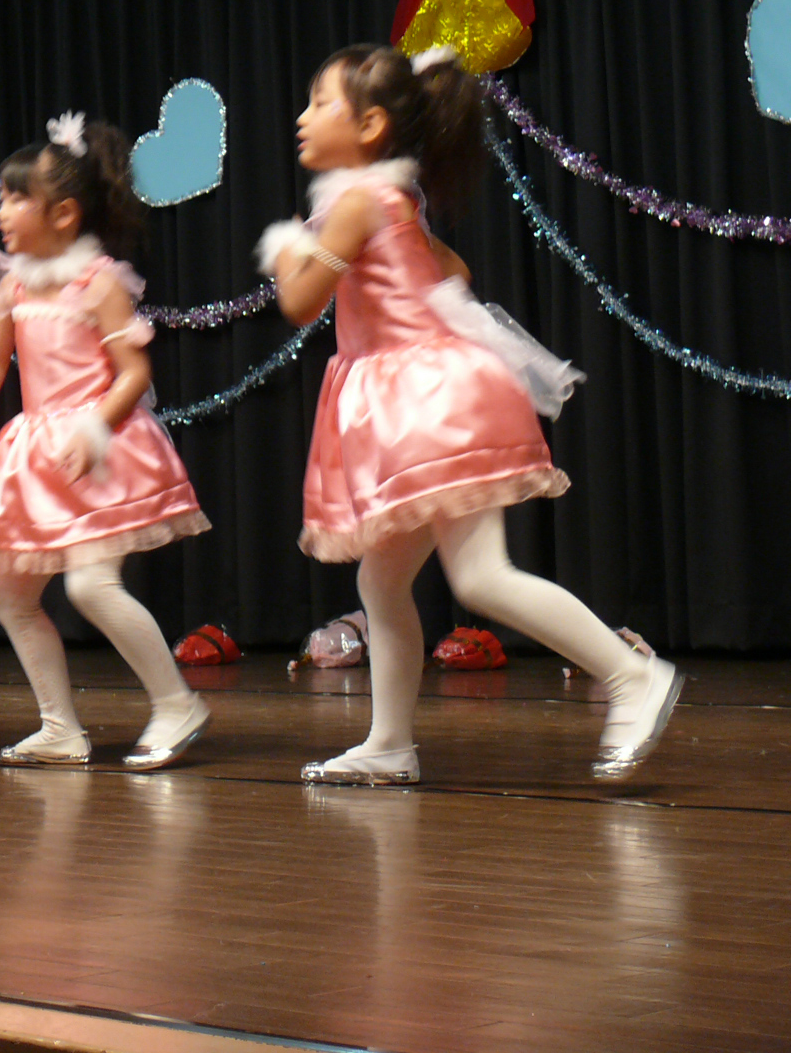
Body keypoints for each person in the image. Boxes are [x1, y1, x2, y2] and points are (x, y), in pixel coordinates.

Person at [262, 44, 680, 784]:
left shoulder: (357, 203)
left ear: (370, 125)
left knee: (481, 576)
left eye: (320, 103)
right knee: (381, 584)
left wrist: (291, 249)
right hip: (417, 396)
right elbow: (451, 269)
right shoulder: (385, 199)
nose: (302, 117)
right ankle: (389, 745)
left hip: (428, 403)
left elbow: (298, 303)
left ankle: (632, 676)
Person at [0, 113, 212, 769]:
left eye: (17, 198)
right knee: (10, 596)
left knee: (90, 587)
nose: (1, 210)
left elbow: (134, 374)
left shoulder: (98, 283)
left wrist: (96, 427)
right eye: (2, 197)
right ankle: (59, 726)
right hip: (38, 454)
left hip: (98, 449)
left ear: (63, 213)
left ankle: (177, 702)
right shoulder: (13, 285)